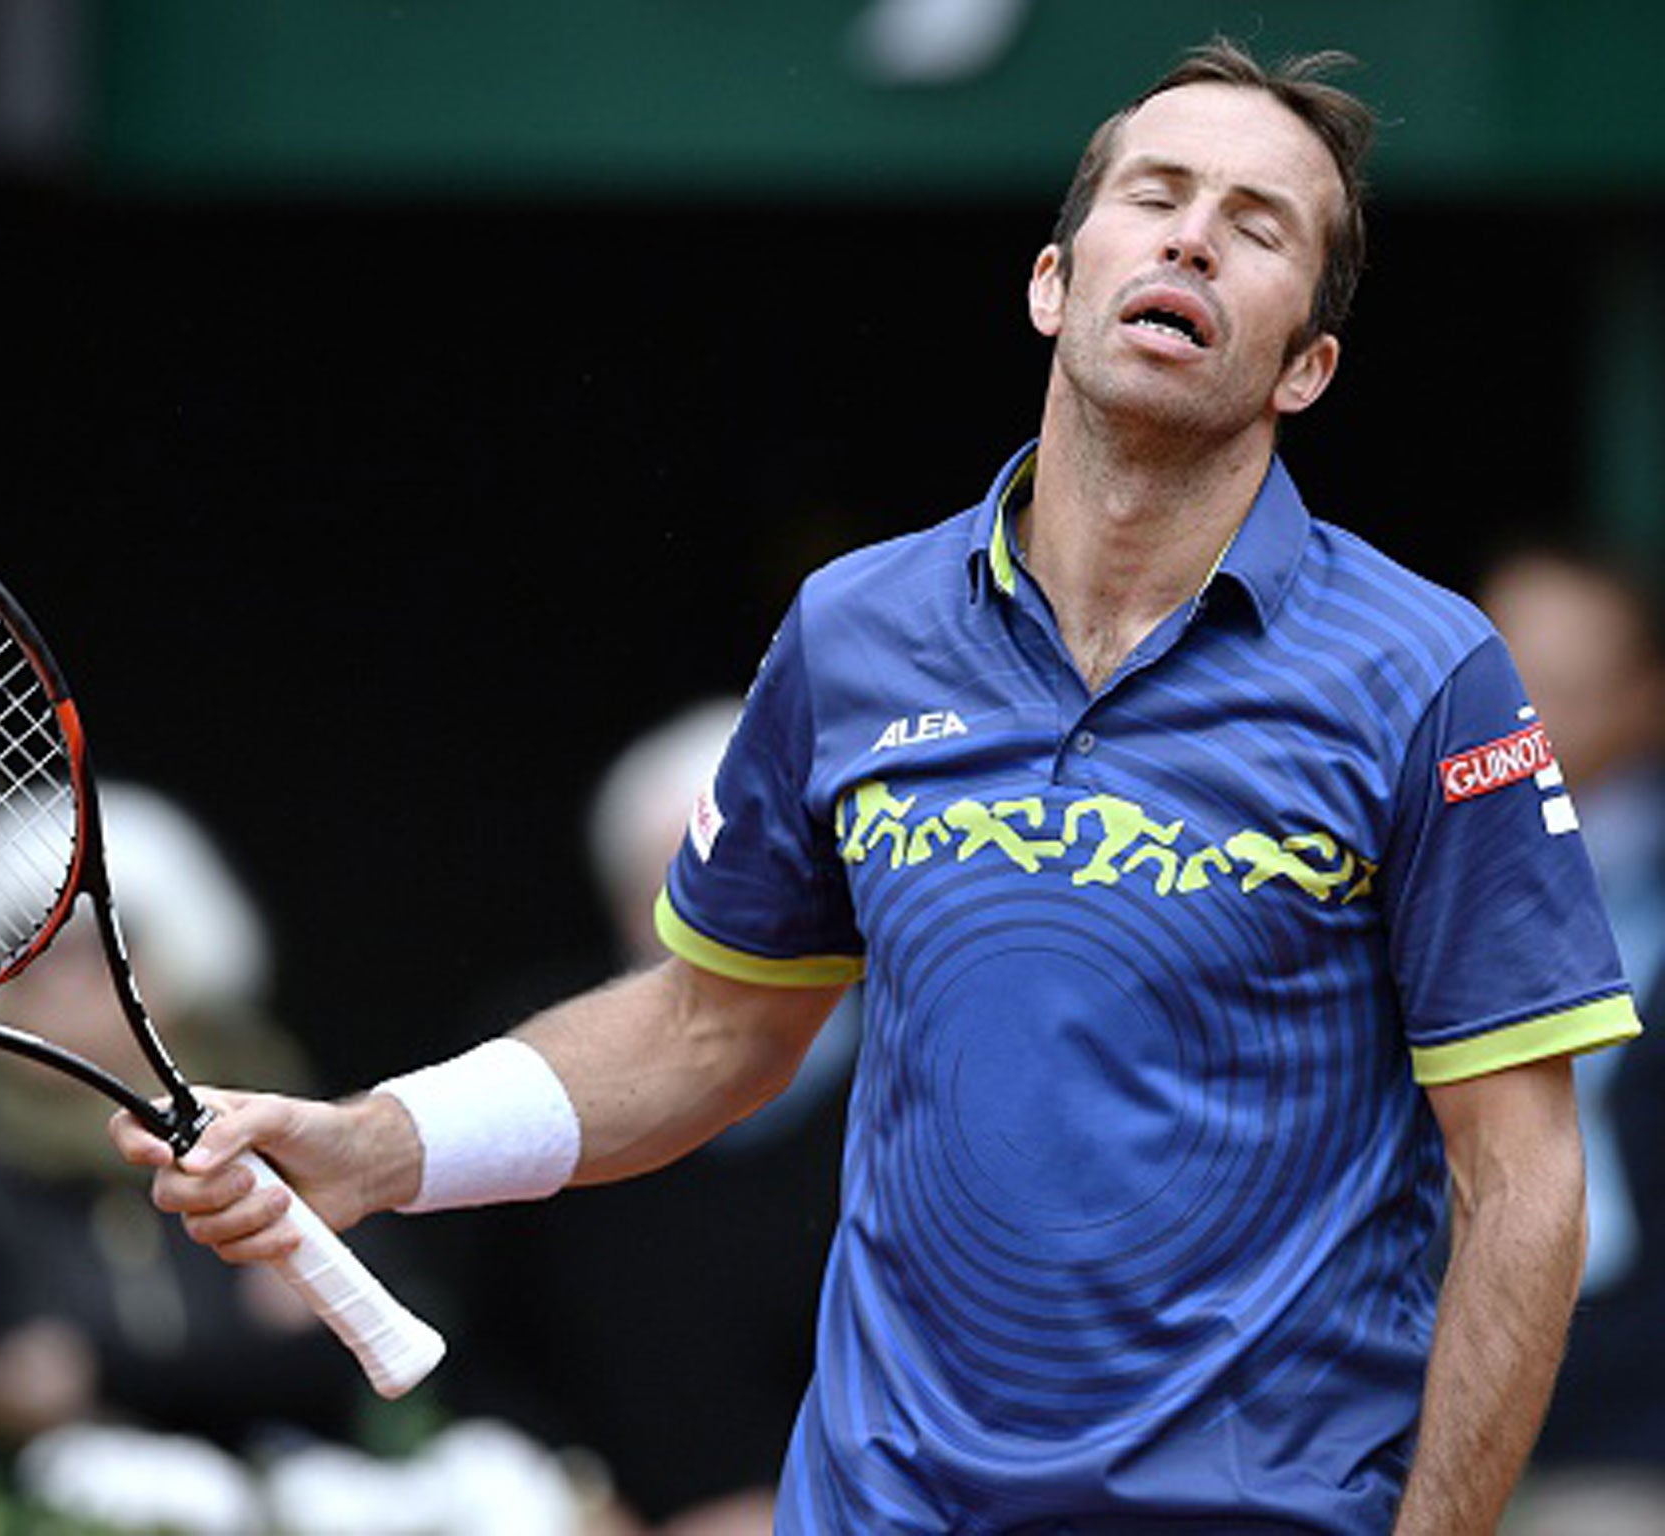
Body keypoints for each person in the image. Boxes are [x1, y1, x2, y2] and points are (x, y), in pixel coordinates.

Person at [113, 40, 1642, 1534]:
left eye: (1257, 228)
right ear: (1056, 281)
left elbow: (1522, 1182)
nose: (1191, 235)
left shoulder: (1426, 679)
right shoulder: (858, 632)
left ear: (1306, 366)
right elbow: (711, 1022)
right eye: (1157, 195)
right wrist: (376, 1145)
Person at [437, 700, 858, 1534]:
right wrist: (570, 1493)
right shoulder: (534, 1070)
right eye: (672, 895)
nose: (716, 932)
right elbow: (475, 1343)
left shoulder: (921, 1067)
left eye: (752, 887)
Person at [0, 782, 386, 1449]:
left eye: (107, 939)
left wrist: (103, 1368)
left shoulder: (280, 1125)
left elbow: (349, 1357)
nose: (66, 979)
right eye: (28, 950)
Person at [1477, 548, 1665, 1536]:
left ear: (1644, 700)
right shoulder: (1387, 870)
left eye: (1557, 685)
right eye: (1498, 676)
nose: (1519, 717)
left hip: (1622, 1428)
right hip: (1403, 1395)